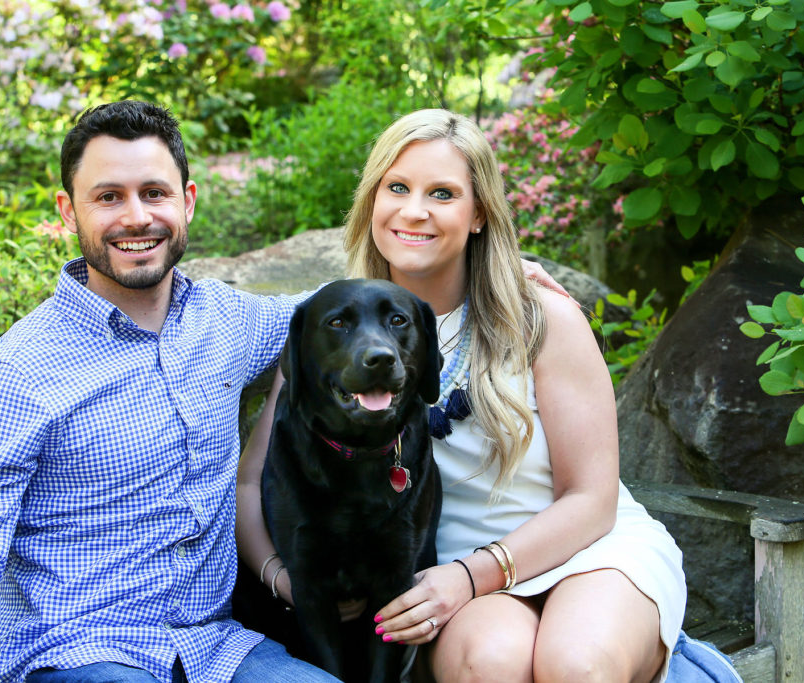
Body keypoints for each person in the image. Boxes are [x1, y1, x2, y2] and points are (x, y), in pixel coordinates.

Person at [237, 109, 687, 682]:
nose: (414, 210)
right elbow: (253, 480)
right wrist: (283, 577)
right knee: (490, 666)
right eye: (396, 188)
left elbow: (591, 500)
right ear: (372, 202)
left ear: (478, 214)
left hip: (584, 553)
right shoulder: (335, 327)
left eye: (443, 193)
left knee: (576, 665)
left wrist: (474, 576)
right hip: (450, 580)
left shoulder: (536, 317)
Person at [0, 100, 341, 683]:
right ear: (68, 211)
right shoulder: (21, 370)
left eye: (154, 193)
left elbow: (328, 310)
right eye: (108, 197)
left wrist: (491, 270)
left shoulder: (224, 320)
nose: (136, 218)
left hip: (217, 649)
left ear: (187, 201)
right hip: (79, 655)